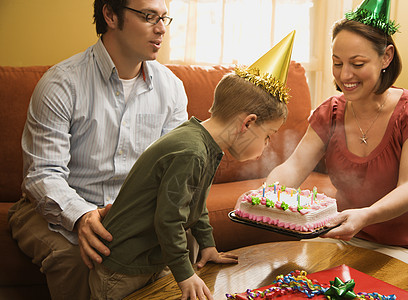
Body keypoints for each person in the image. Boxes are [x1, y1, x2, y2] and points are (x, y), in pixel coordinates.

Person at [88, 32, 296, 300]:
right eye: (269, 135)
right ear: (247, 123)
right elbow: (169, 220)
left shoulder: (203, 142)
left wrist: (207, 245)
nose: (267, 145)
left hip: (149, 260)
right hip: (124, 270)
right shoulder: (192, 152)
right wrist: (185, 274)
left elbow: (195, 206)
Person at [263, 0, 408, 292]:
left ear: (386, 57)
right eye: (337, 63)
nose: (345, 75)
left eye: (357, 64)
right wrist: (264, 196)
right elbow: (294, 166)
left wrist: (365, 215)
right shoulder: (330, 112)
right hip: (342, 238)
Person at [8, 0, 188, 298]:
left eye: (164, 18)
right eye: (148, 16)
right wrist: (82, 216)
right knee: (79, 260)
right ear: (110, 14)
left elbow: (171, 173)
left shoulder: (171, 88)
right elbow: (42, 175)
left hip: (128, 214)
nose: (161, 29)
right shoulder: (62, 83)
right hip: (53, 210)